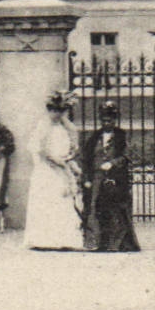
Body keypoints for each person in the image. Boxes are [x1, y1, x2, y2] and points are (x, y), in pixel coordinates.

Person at [24, 92, 85, 250]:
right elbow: (38, 149)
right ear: (49, 110)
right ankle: (44, 239)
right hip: (47, 168)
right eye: (54, 111)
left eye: (60, 111)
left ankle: (65, 239)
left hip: (62, 165)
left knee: (62, 199)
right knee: (47, 200)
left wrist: (68, 158)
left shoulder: (66, 127)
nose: (57, 114)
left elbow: (71, 146)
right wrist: (53, 160)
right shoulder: (43, 126)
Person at [82, 101, 140, 252]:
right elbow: (87, 158)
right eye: (104, 120)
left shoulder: (121, 136)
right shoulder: (94, 137)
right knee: (95, 207)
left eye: (110, 120)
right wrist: (87, 178)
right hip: (97, 178)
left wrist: (113, 163)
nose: (107, 123)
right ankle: (97, 241)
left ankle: (117, 243)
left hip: (115, 178)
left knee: (116, 209)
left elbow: (127, 156)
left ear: (115, 120)